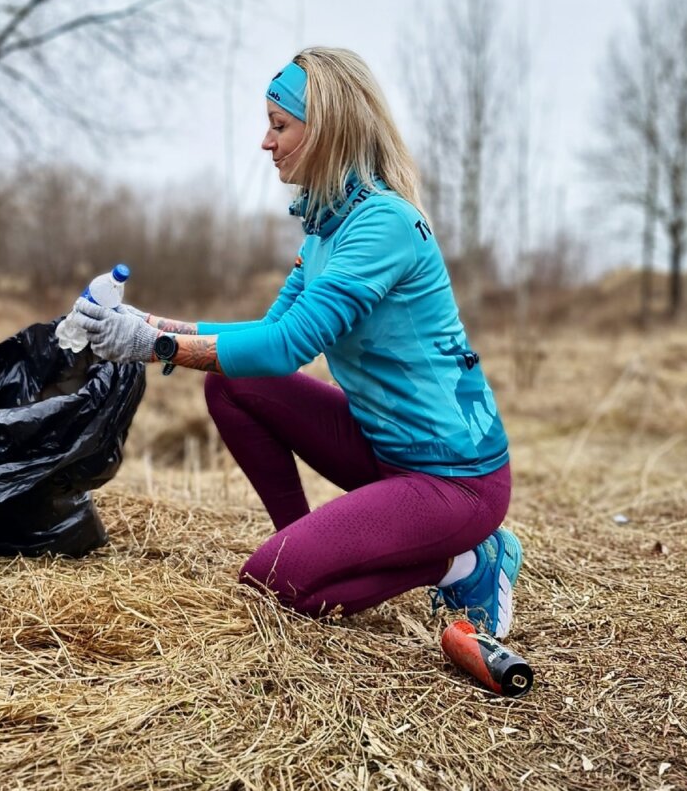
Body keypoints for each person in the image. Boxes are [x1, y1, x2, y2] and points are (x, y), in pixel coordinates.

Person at [69, 46, 522, 639]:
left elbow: (287, 348)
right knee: (234, 385)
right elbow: (262, 337)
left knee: (271, 584)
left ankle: (467, 560)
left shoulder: (382, 224)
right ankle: (301, 545)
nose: (266, 141)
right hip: (385, 452)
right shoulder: (325, 229)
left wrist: (154, 348)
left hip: (455, 481)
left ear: (327, 129)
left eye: (279, 125)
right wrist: (148, 325)